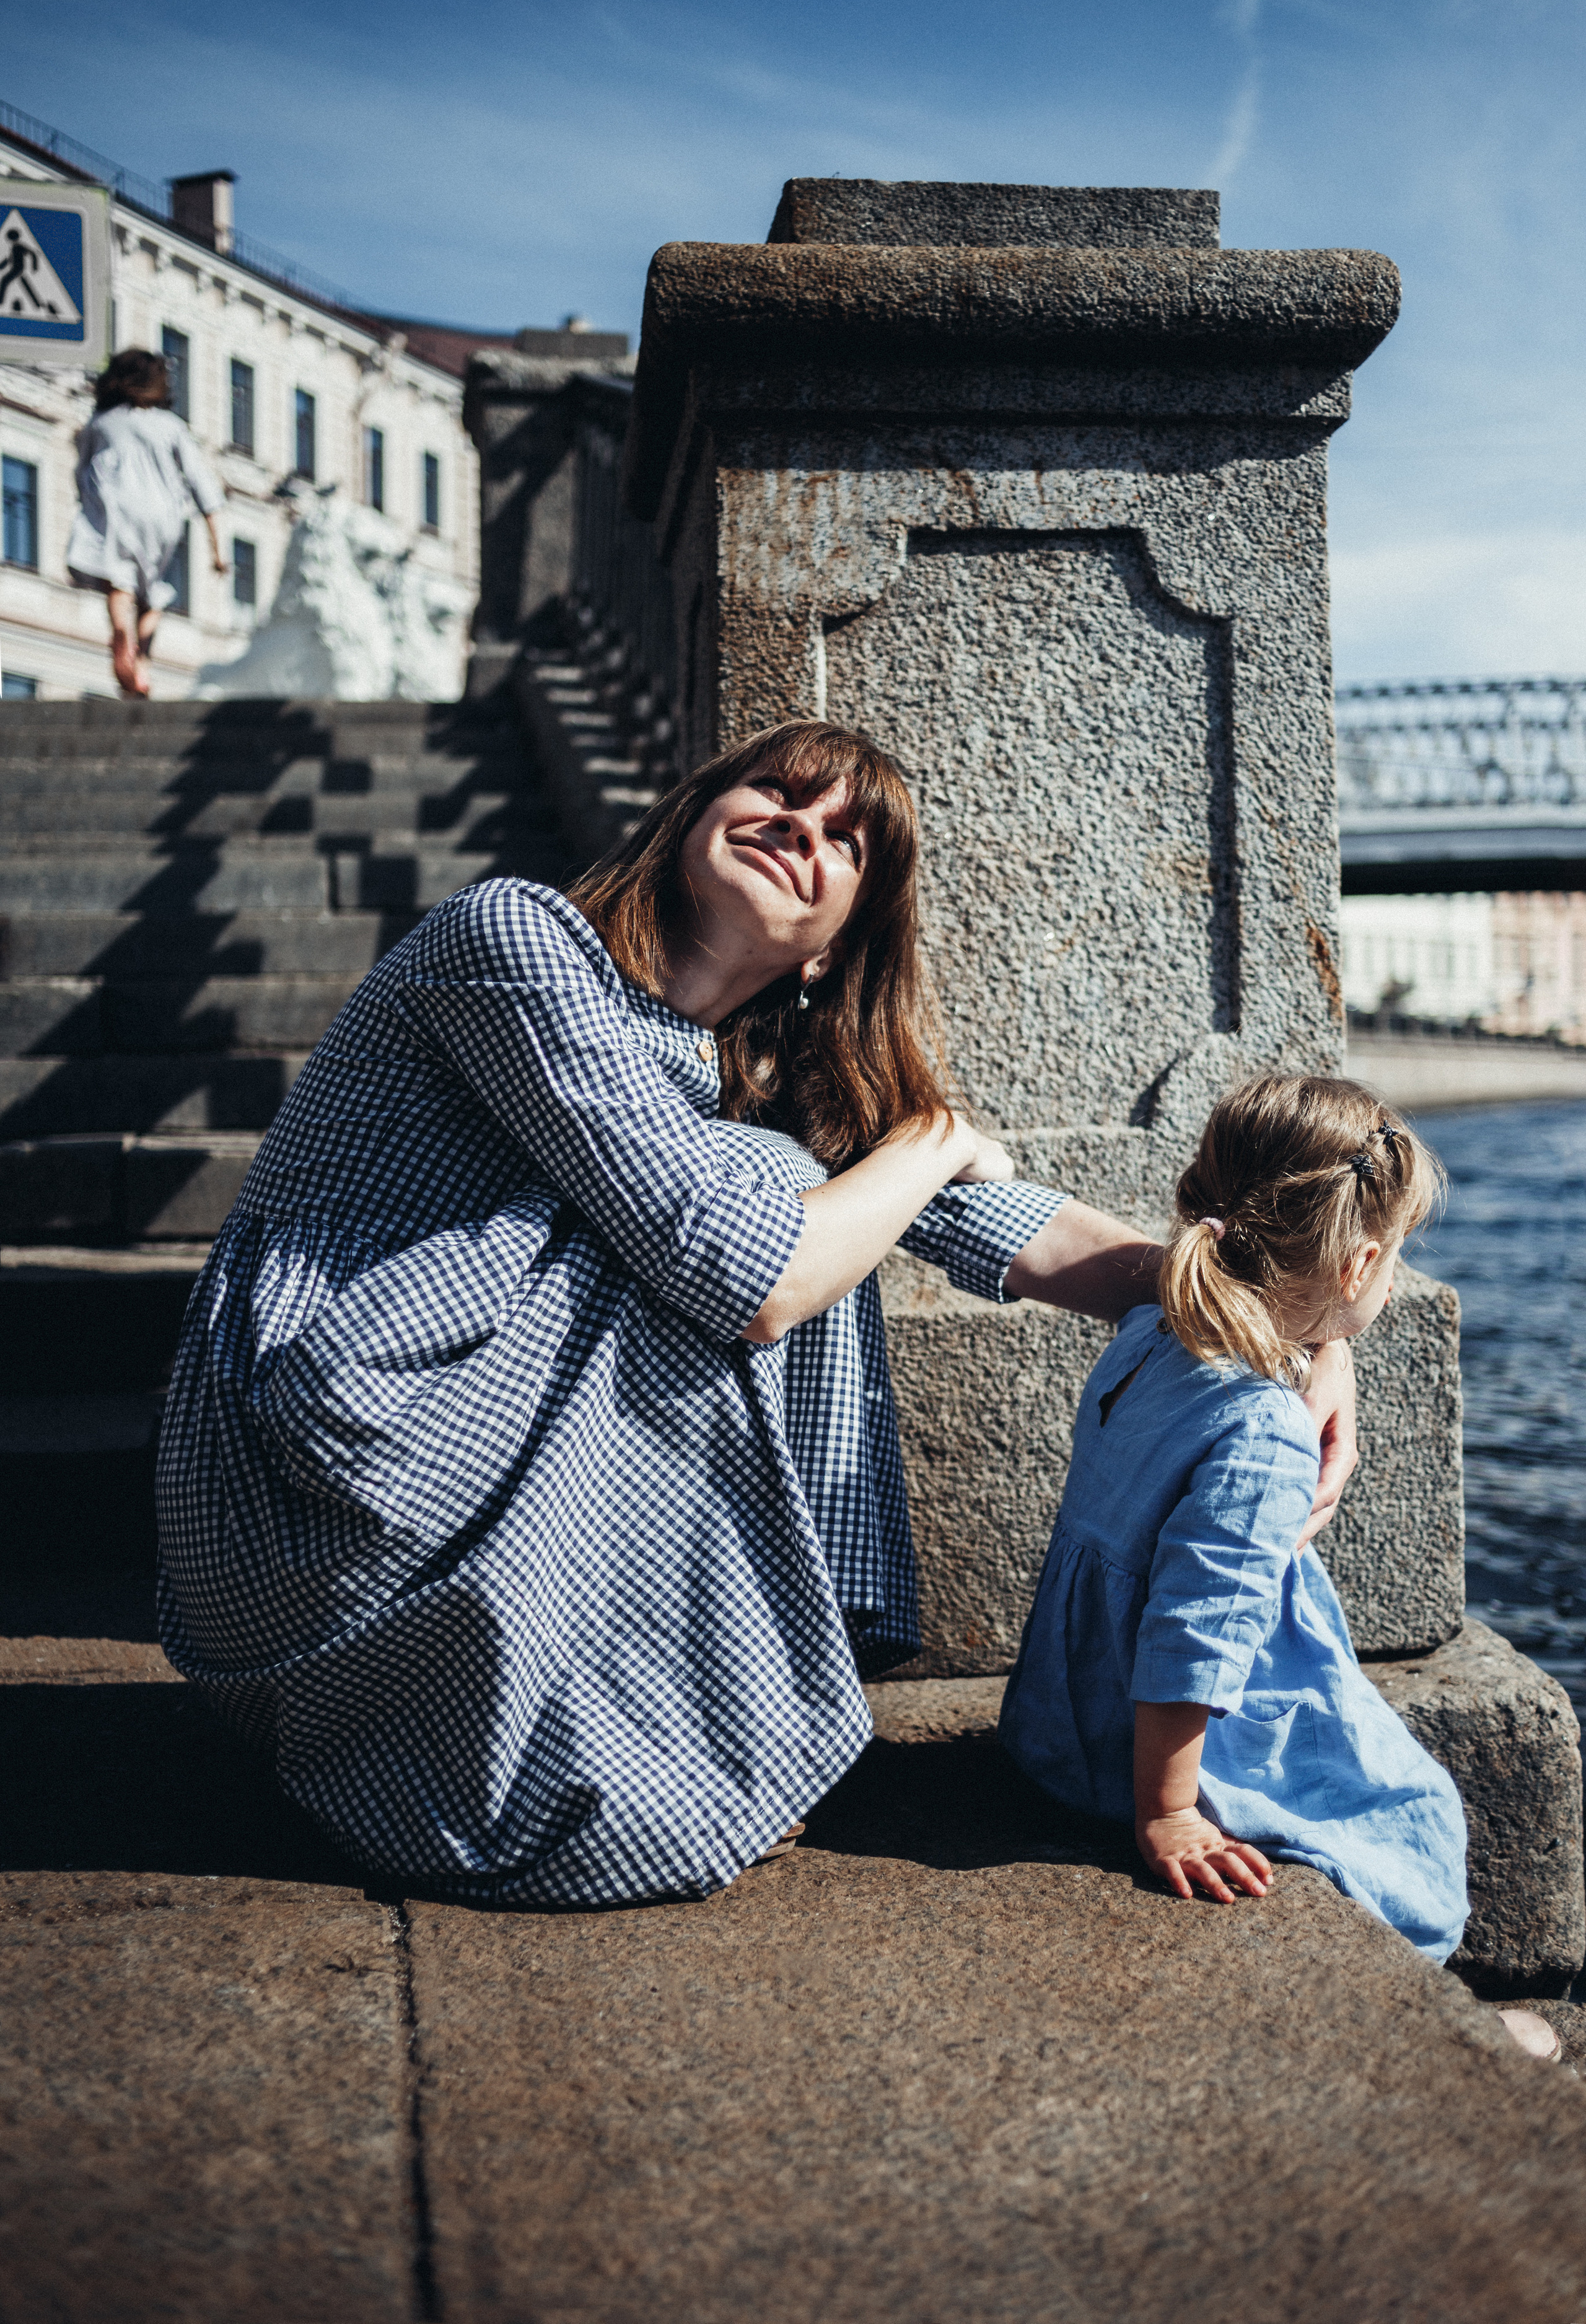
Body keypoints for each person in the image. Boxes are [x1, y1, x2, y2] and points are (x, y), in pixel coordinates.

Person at [156, 722, 1359, 1910]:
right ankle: (716, 1699)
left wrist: (1302, 1328)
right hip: (306, 1493)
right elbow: (750, 1273)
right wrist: (931, 1142)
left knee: (801, 1179)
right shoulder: (514, 939)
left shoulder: (725, 1077)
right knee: (774, 1195)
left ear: (831, 949)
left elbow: (1030, 1244)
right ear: (687, 815)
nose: (802, 826)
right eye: (774, 792)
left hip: (439, 1481)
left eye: (844, 839)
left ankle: (755, 1683)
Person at [999, 1073, 1470, 1964]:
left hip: (1064, 1713)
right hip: (1152, 1749)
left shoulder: (1151, 1332)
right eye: (1394, 1253)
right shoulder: (1265, 1432)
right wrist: (1170, 1813)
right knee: (1414, 1816)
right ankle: (1440, 2019)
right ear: (1359, 1267)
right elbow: (1194, 1639)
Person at [66, 347, 227, 696]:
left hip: (116, 510)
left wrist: (88, 507)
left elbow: (82, 475)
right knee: (153, 595)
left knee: (119, 584)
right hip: (163, 519)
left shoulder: (101, 423)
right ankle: (143, 666)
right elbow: (202, 484)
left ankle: (121, 633)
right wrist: (218, 548)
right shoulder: (171, 426)